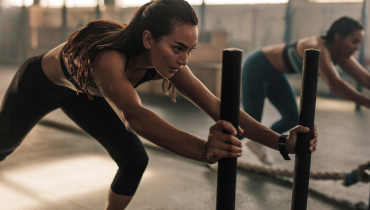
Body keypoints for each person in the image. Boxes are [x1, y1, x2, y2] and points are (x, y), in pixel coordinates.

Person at [0, 0, 318, 209]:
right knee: (3, 145)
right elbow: (135, 117)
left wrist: (280, 142)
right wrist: (205, 151)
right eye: (178, 47)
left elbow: (217, 105)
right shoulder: (109, 58)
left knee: (134, 159)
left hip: (88, 94)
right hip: (40, 84)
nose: (184, 60)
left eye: (190, 50)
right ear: (149, 39)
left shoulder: (170, 62)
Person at [240, 16, 365, 165]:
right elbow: (334, 83)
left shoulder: (340, 56)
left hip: (276, 75)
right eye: (354, 41)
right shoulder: (317, 46)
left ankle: (259, 142)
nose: (357, 47)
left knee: (292, 118)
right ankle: (218, 155)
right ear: (338, 38)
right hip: (256, 67)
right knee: (250, 124)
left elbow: (366, 79)